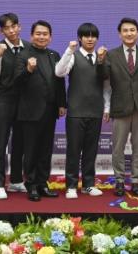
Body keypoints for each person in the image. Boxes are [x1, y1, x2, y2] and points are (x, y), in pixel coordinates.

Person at [97, 17, 138, 197]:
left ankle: (136, 180)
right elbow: (103, 77)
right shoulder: (111, 55)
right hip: (120, 106)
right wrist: (100, 60)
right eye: (125, 31)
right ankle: (119, 180)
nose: (129, 33)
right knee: (118, 147)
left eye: (132, 30)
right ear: (119, 34)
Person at [14, 20, 66, 202]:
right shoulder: (23, 55)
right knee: (31, 150)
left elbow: (59, 81)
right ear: (31, 36)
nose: (41, 37)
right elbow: (16, 82)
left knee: (45, 150)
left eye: (45, 34)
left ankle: (43, 183)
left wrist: (62, 104)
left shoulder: (54, 55)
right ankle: (31, 185)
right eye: (38, 33)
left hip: (50, 110)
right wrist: (28, 70)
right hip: (30, 111)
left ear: (50, 37)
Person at [55, 22, 107, 199]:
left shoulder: (102, 57)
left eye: (93, 36)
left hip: (96, 111)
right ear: (80, 38)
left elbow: (107, 83)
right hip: (76, 112)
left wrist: (107, 107)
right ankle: (71, 185)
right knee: (74, 150)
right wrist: (69, 50)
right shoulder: (73, 56)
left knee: (91, 151)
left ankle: (88, 184)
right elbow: (59, 72)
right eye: (86, 36)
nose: (90, 39)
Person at [0, 13, 28, 199]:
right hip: (3, 100)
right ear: (1, 31)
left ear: (19, 27)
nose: (11, 30)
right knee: (0, 142)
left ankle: (16, 181)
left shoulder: (28, 47)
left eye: (14, 26)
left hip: (24, 101)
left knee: (20, 142)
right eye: (6, 28)